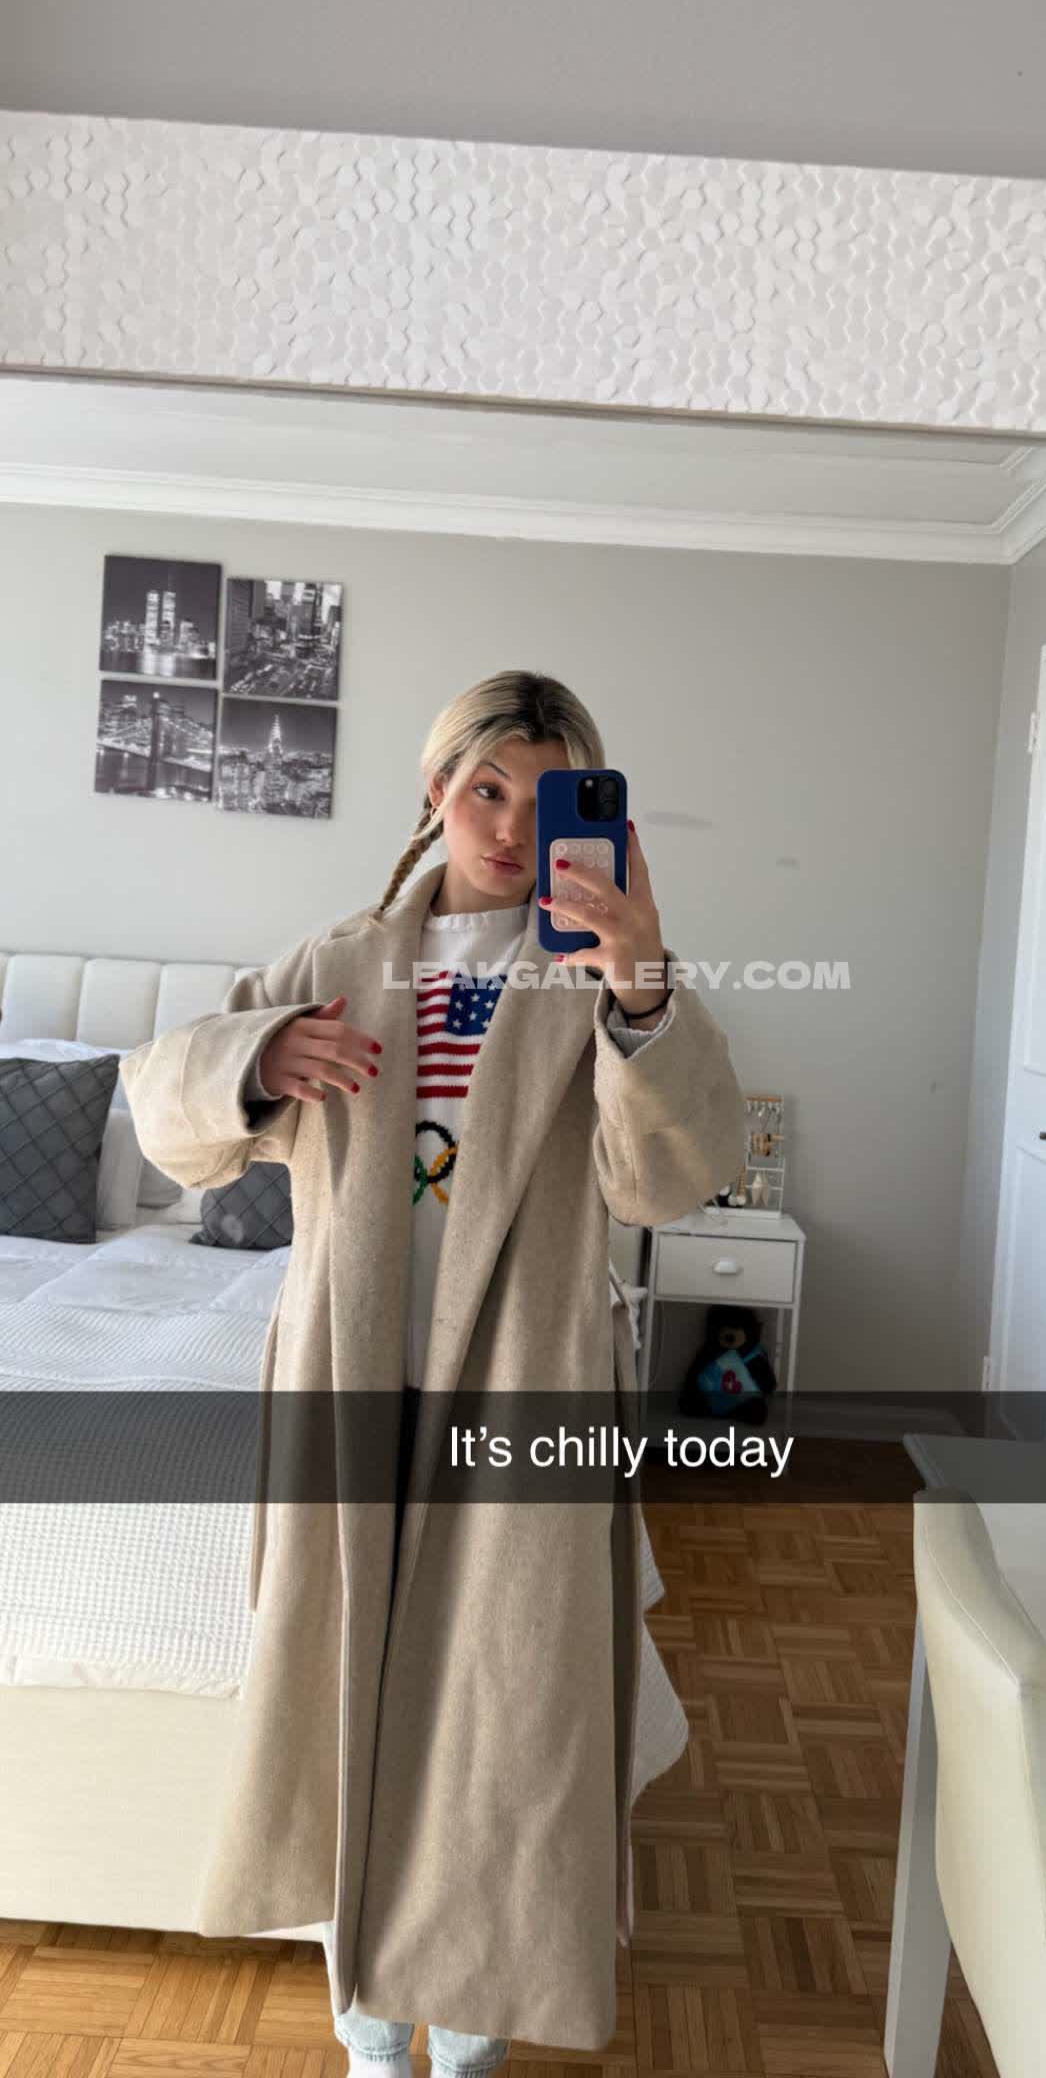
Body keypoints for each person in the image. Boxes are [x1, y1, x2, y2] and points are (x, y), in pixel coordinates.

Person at [232, 669, 732, 2076]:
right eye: (486, 788)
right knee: (342, 1699)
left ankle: (468, 2032)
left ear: (594, 814)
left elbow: (667, 1180)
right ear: (436, 790)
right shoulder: (337, 959)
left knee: (504, 1718)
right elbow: (181, 1114)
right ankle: (368, 2025)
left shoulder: (603, 974)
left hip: (523, 1381)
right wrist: (260, 1053)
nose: (511, 827)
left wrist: (639, 975)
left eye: (549, 797)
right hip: (349, 1381)